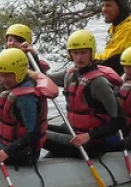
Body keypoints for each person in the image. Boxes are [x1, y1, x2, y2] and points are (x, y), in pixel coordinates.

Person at [45, 29, 126, 158]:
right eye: (75, 53)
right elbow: (44, 78)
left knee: (36, 133)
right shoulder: (71, 74)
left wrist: (89, 136)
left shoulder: (98, 83)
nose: (79, 58)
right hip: (74, 131)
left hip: (92, 143)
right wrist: (30, 55)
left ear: (92, 53)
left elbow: (120, 121)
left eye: (83, 53)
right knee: (35, 127)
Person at [0, 49, 55, 168]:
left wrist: (7, 152)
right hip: (9, 139)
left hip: (23, 152)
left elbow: (34, 133)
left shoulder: (26, 98)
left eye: (7, 76)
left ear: (20, 72)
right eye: (0, 75)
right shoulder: (16, 84)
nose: (2, 79)